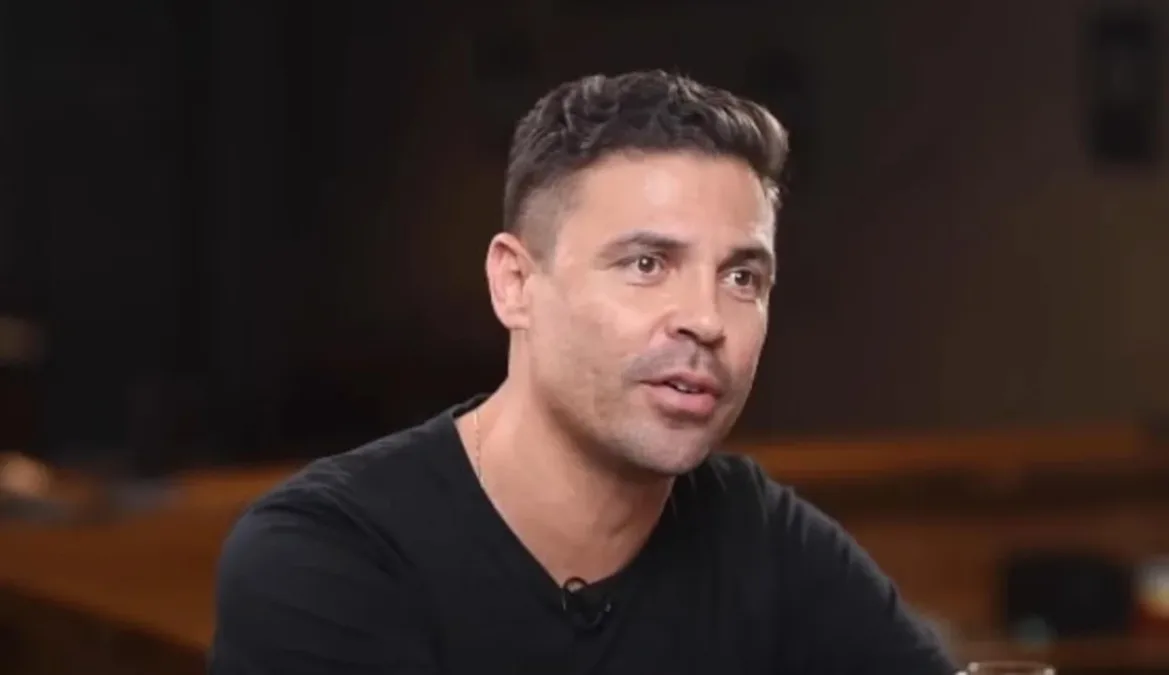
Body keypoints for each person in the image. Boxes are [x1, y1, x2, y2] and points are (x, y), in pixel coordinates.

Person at [209, 70, 956, 675]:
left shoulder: (759, 536)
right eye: (646, 263)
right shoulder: (326, 556)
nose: (706, 318)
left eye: (741, 277)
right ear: (515, 284)